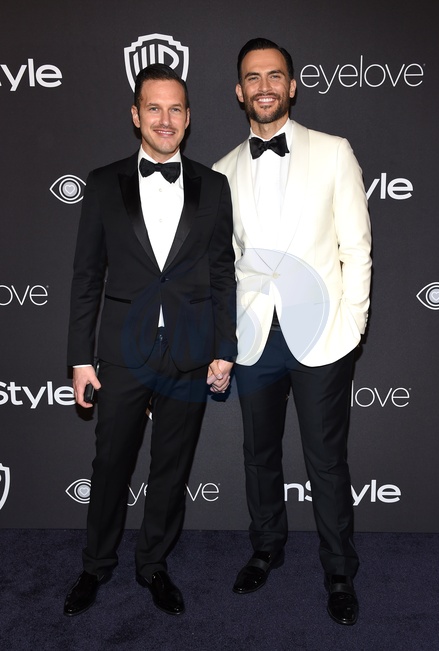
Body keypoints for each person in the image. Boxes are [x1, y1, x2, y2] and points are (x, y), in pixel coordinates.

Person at [64, 63, 236, 618]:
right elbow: (87, 277)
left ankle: (154, 565)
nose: (166, 119)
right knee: (111, 464)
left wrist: (224, 347)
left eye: (176, 108)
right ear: (136, 115)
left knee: (171, 467)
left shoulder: (214, 186)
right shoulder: (102, 183)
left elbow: (222, 273)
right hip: (122, 353)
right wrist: (79, 359)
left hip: (189, 351)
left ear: (188, 117)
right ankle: (95, 565)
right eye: (154, 108)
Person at [213, 38, 371, 626]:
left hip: (323, 335)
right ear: (239, 91)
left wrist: (353, 322)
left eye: (274, 75)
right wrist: (225, 339)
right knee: (259, 455)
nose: (264, 86)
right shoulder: (223, 171)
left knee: (326, 460)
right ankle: (266, 549)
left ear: (292, 85)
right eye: (253, 77)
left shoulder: (333, 151)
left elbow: (356, 245)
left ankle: (339, 571)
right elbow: (224, 266)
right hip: (255, 338)